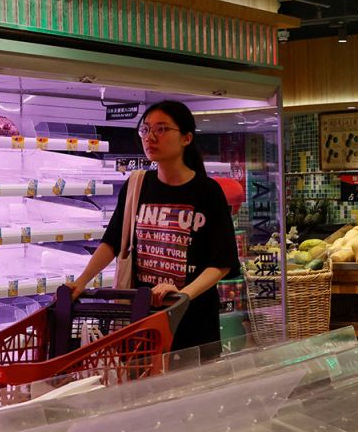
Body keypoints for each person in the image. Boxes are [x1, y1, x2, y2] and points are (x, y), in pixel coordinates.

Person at [65, 100, 240, 355]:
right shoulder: (137, 185)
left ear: (186, 138)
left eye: (161, 129)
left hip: (192, 322)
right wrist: (80, 282)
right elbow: (112, 242)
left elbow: (222, 262)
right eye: (145, 130)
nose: (150, 137)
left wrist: (182, 295)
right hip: (142, 318)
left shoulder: (208, 191)